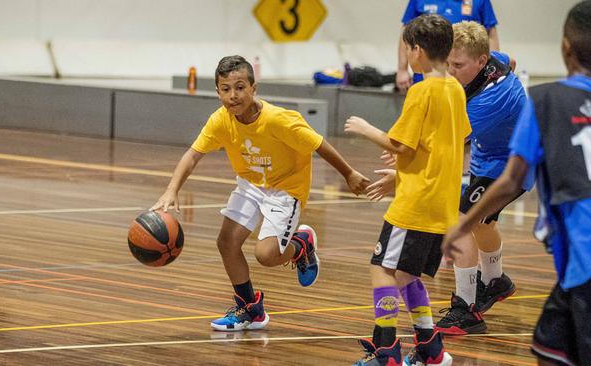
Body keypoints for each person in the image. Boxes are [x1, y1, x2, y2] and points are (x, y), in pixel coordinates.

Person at [443, 1, 591, 364]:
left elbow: (509, 178)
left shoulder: (544, 102)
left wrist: (461, 226)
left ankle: (467, 308)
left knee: (565, 347)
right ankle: (495, 281)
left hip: (587, 247)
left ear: (564, 46)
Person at [151, 55, 369, 332]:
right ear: (218, 92)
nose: (233, 95)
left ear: (254, 88)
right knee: (226, 242)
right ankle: (250, 308)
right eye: (226, 89)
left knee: (265, 255)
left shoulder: (279, 120)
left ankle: (301, 245)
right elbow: (193, 155)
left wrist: (348, 173)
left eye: (240, 87)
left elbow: (319, 144)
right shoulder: (220, 121)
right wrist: (171, 190)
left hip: (285, 190)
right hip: (251, 185)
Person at [345, 14, 470, 366]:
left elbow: (401, 144)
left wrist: (366, 128)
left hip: (416, 204)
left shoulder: (422, 89)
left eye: (408, 48)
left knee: (381, 269)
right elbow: (443, 147)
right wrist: (399, 177)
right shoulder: (455, 89)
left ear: (416, 50)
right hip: (440, 204)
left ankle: (386, 352)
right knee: (406, 275)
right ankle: (431, 349)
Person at [434, 20, 535, 335]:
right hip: (490, 155)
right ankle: (495, 281)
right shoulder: (494, 60)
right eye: (449, 63)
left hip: (512, 164)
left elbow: (448, 143)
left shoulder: (488, 100)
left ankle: (466, 310)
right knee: (484, 222)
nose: (451, 71)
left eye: (458, 65)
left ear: (480, 61)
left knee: (462, 220)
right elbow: (511, 60)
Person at [396, 0, 500, 91]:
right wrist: (402, 70)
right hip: (426, 73)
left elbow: (490, 33)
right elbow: (406, 34)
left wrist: (491, 69)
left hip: (465, 77)